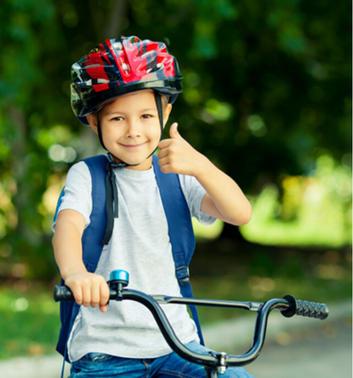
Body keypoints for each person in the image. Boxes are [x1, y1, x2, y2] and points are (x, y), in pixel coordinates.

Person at [52, 35, 253, 378]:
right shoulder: (86, 176)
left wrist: (202, 166)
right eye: (117, 118)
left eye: (146, 115)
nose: (133, 131)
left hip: (178, 347)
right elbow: (68, 226)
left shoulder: (178, 175)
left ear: (166, 112)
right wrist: (76, 274)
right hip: (105, 354)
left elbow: (240, 213)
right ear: (93, 122)